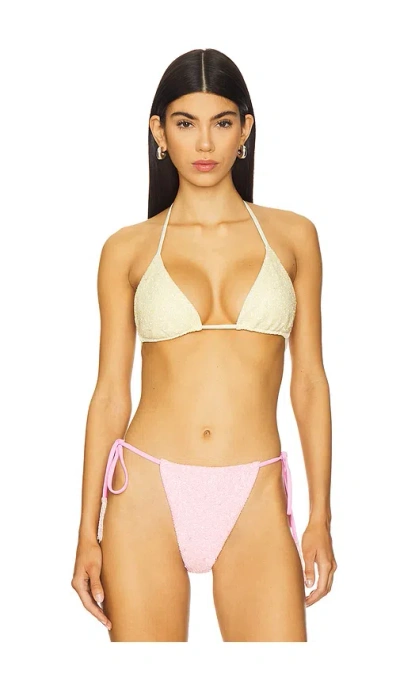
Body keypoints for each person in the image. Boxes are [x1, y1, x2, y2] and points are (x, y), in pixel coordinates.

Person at [71, 47, 337, 642]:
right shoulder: (127, 249)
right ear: (159, 131)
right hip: (145, 491)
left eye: (222, 122)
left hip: (255, 492)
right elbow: (110, 393)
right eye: (186, 122)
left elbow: (310, 381)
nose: (205, 142)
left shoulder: (294, 237)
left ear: (245, 129)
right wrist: (87, 530)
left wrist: (320, 514)